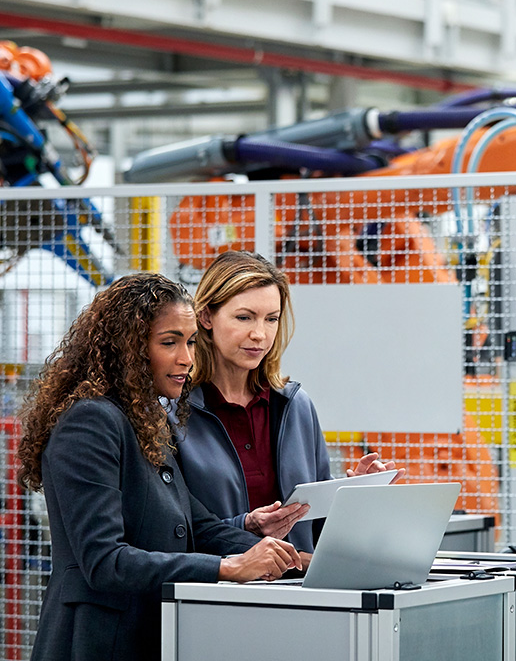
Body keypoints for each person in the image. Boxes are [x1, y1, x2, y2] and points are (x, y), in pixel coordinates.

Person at [16, 273, 302, 661]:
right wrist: (227, 567)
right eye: (169, 343)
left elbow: (197, 526)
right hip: (96, 643)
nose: (186, 358)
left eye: (189, 342)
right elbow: (105, 561)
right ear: (128, 349)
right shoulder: (89, 422)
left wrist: (292, 559)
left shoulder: (145, 418)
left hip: (147, 636)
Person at [169, 250, 404, 566]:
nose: (260, 334)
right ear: (206, 317)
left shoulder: (296, 407)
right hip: (210, 597)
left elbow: (321, 532)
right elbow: (167, 533)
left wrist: (356, 496)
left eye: (271, 319)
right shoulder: (172, 412)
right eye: (244, 317)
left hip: (296, 596)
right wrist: (245, 527)